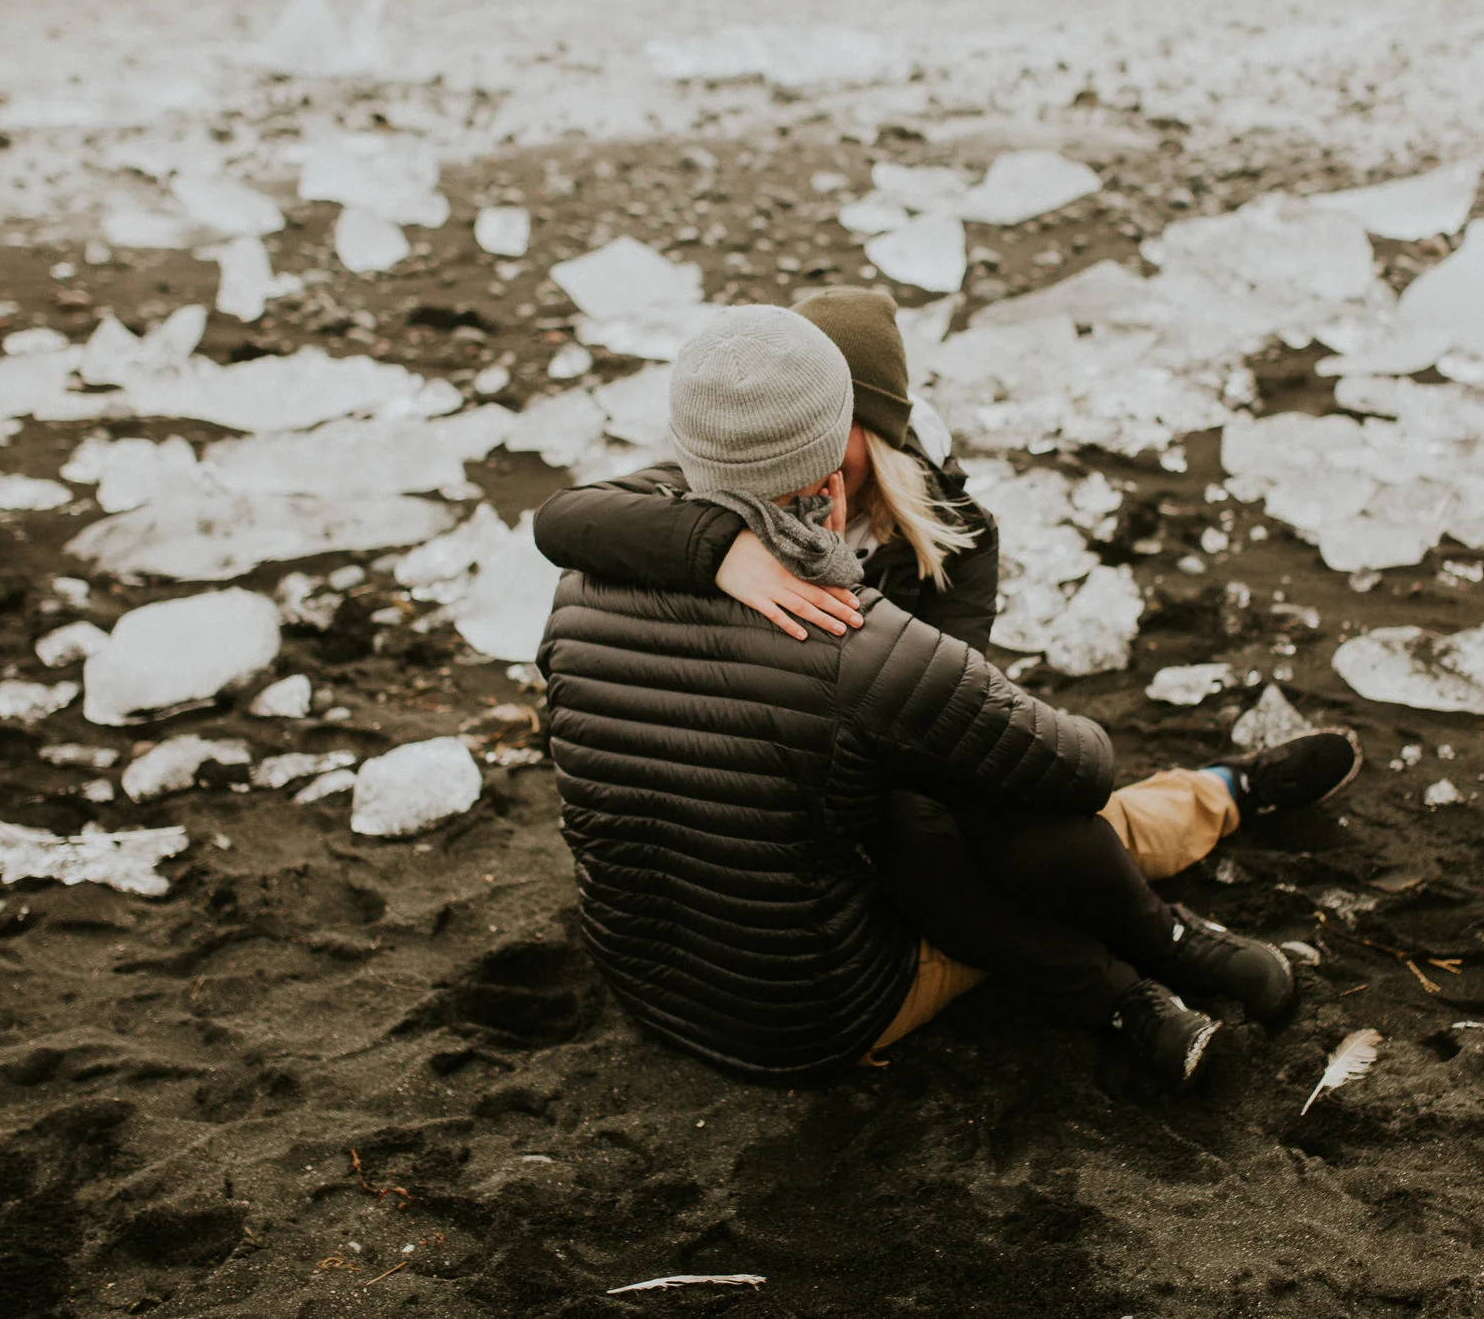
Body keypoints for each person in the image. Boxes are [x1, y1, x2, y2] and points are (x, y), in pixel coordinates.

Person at [538, 305, 1362, 1087]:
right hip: (817, 1010)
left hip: (651, 977)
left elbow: (565, 517)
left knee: (953, 811)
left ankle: (1212, 826)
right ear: (824, 465)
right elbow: (1074, 769)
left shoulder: (585, 583)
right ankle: (1169, 908)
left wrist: (724, 544)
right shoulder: (850, 634)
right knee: (997, 828)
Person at [534, 287, 999, 650]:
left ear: (878, 429)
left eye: (832, 426)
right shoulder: (749, 467)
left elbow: (950, 698)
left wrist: (835, 584)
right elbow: (562, 518)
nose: (807, 453)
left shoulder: (957, 531)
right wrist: (719, 549)